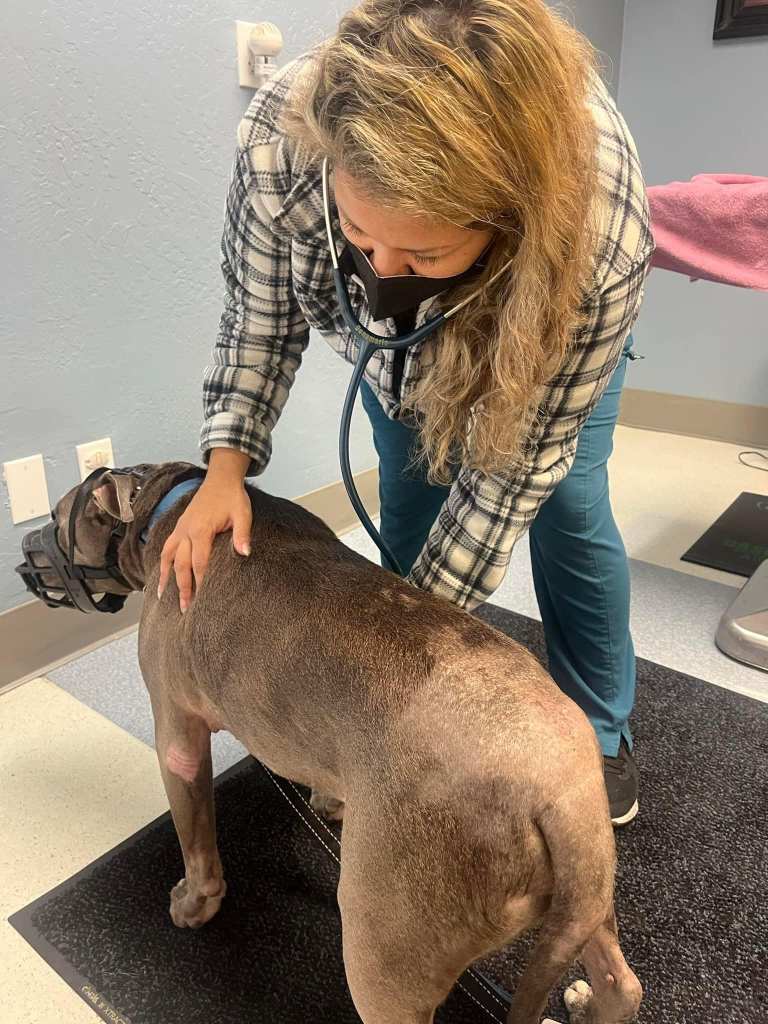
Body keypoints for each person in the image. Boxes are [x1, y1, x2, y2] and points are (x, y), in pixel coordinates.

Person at [158, 0, 654, 826]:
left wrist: (404, 655)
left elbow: (510, 479)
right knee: (410, 484)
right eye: (358, 234)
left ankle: (601, 729)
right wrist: (224, 471)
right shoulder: (283, 138)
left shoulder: (599, 239)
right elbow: (258, 317)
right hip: (400, 358)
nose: (383, 273)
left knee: (567, 504)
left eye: (422, 253)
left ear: (503, 220)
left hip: (544, 341)